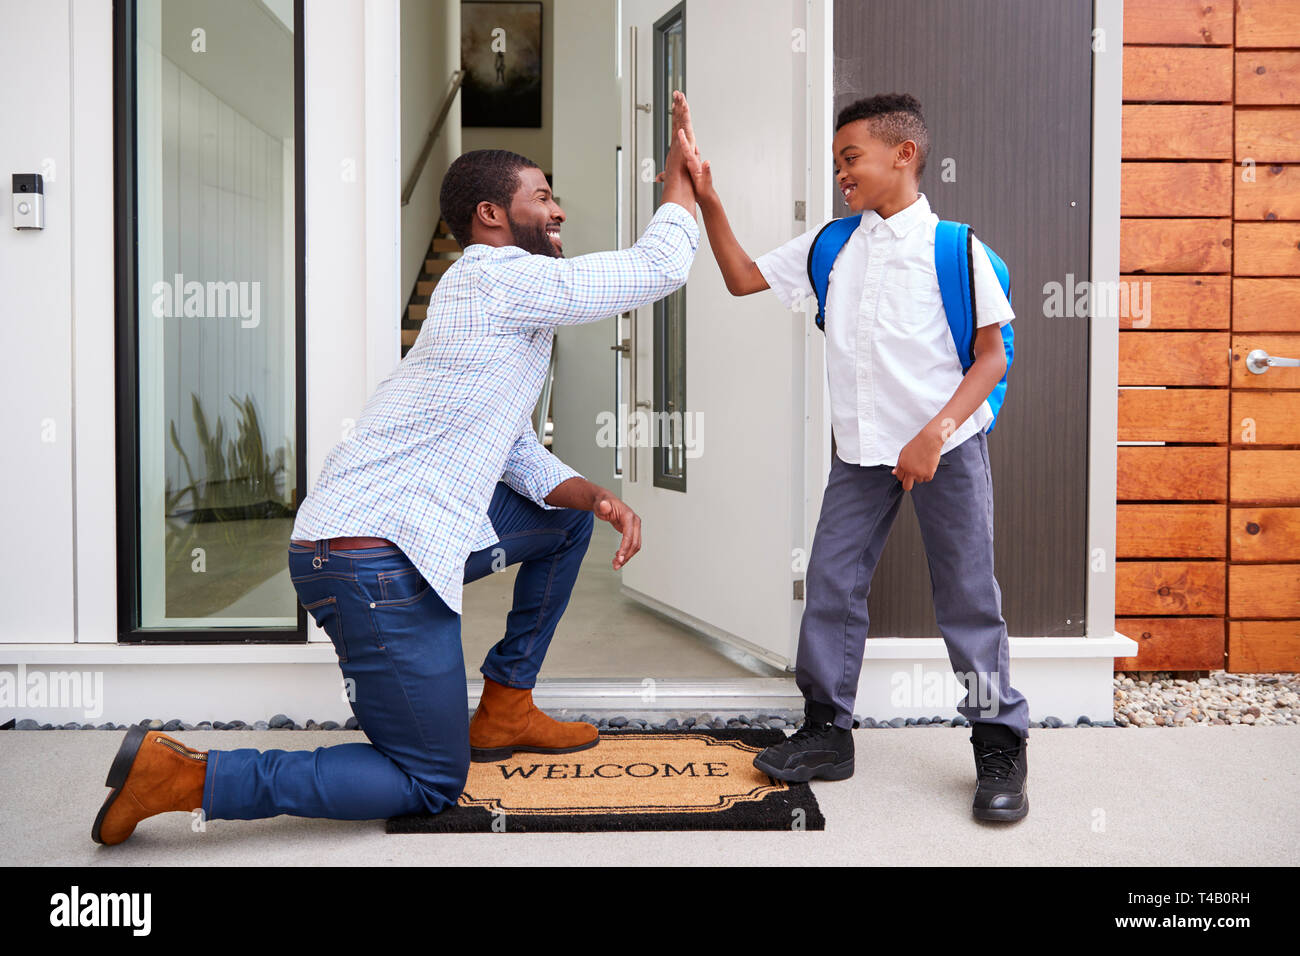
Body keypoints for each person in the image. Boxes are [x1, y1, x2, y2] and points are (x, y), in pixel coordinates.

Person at [91, 98, 705, 845]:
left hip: (393, 540)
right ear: (490, 214)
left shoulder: (498, 305)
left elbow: (510, 450)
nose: (559, 211)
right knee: (427, 782)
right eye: (542, 196)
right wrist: (679, 186)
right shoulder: (492, 275)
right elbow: (658, 269)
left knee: (566, 518)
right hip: (371, 558)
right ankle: (190, 776)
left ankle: (507, 705)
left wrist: (595, 495)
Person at [687, 92, 1030, 821]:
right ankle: (826, 732)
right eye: (838, 161)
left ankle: (999, 742)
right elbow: (743, 277)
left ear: (904, 155)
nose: (842, 173)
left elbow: (992, 358)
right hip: (862, 450)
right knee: (833, 585)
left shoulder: (959, 248)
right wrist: (709, 200)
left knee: (968, 599)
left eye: (852, 158)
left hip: (947, 446)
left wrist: (932, 433)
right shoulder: (832, 246)